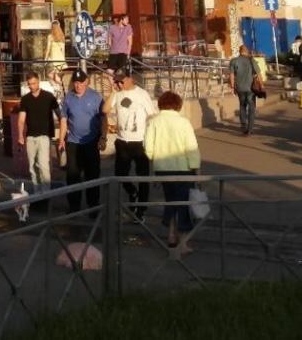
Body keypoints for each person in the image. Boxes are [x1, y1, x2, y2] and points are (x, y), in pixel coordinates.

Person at [144, 90, 201, 256]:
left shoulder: (153, 122)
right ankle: (182, 243)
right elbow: (191, 148)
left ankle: (170, 235)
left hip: (162, 169)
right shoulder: (183, 122)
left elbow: (148, 148)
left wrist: (156, 161)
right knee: (182, 204)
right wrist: (196, 168)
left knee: (170, 201)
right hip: (182, 169)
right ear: (178, 105)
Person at [106, 68, 156, 222]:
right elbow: (105, 109)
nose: (119, 84)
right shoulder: (117, 93)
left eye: (121, 81)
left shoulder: (141, 94)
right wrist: (113, 92)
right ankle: (132, 192)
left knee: (143, 177)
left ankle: (141, 210)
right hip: (122, 141)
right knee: (120, 174)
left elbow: (152, 115)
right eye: (117, 81)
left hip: (139, 141)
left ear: (130, 79)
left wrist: (150, 135)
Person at [61, 69, 106, 213]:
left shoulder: (95, 97)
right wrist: (61, 138)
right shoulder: (68, 97)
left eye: (81, 82)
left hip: (91, 141)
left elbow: (103, 118)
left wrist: (103, 137)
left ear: (86, 82)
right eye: (75, 82)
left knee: (92, 175)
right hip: (73, 142)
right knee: (72, 175)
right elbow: (64, 119)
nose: (78, 85)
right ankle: (74, 206)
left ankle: (93, 207)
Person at [18, 70, 64, 200]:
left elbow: (60, 115)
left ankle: (46, 192)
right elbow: (21, 119)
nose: (31, 86)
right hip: (30, 136)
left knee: (43, 164)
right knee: (33, 166)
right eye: (29, 84)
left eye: (33, 83)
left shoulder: (48, 97)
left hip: (44, 135)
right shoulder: (25, 99)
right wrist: (20, 136)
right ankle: (37, 192)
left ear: (38, 81)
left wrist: (64, 130)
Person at [228, 44, 263, 135]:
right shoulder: (251, 60)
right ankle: (250, 129)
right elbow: (259, 74)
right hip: (251, 88)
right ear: (246, 51)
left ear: (239, 51)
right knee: (251, 108)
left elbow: (231, 75)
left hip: (240, 88)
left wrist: (232, 87)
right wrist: (261, 85)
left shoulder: (234, 61)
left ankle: (244, 126)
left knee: (242, 106)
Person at [45, 21, 67, 91]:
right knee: (55, 76)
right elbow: (63, 50)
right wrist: (64, 60)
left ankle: (60, 87)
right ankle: (59, 89)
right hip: (61, 60)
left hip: (54, 60)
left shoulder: (50, 36)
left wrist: (45, 59)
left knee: (49, 75)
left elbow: (48, 49)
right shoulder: (62, 37)